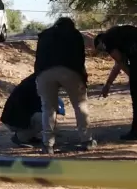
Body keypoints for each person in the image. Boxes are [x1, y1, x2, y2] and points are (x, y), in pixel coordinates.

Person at [34, 17, 96, 154]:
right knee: (80, 105)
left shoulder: (44, 34)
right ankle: (86, 140)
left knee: (48, 108)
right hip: (70, 71)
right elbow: (80, 59)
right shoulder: (75, 34)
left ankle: (47, 144)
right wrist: (83, 78)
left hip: (44, 72)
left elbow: (38, 57)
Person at [93, 25, 137, 140]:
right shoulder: (117, 36)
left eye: (101, 49)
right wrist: (108, 84)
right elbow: (118, 64)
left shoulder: (107, 40)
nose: (104, 52)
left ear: (100, 41)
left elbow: (120, 61)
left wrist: (134, 78)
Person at [0, 73, 66, 148]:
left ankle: (29, 135)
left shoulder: (39, 79)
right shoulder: (40, 84)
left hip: (15, 117)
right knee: (49, 117)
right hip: (14, 120)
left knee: (50, 116)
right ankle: (21, 137)